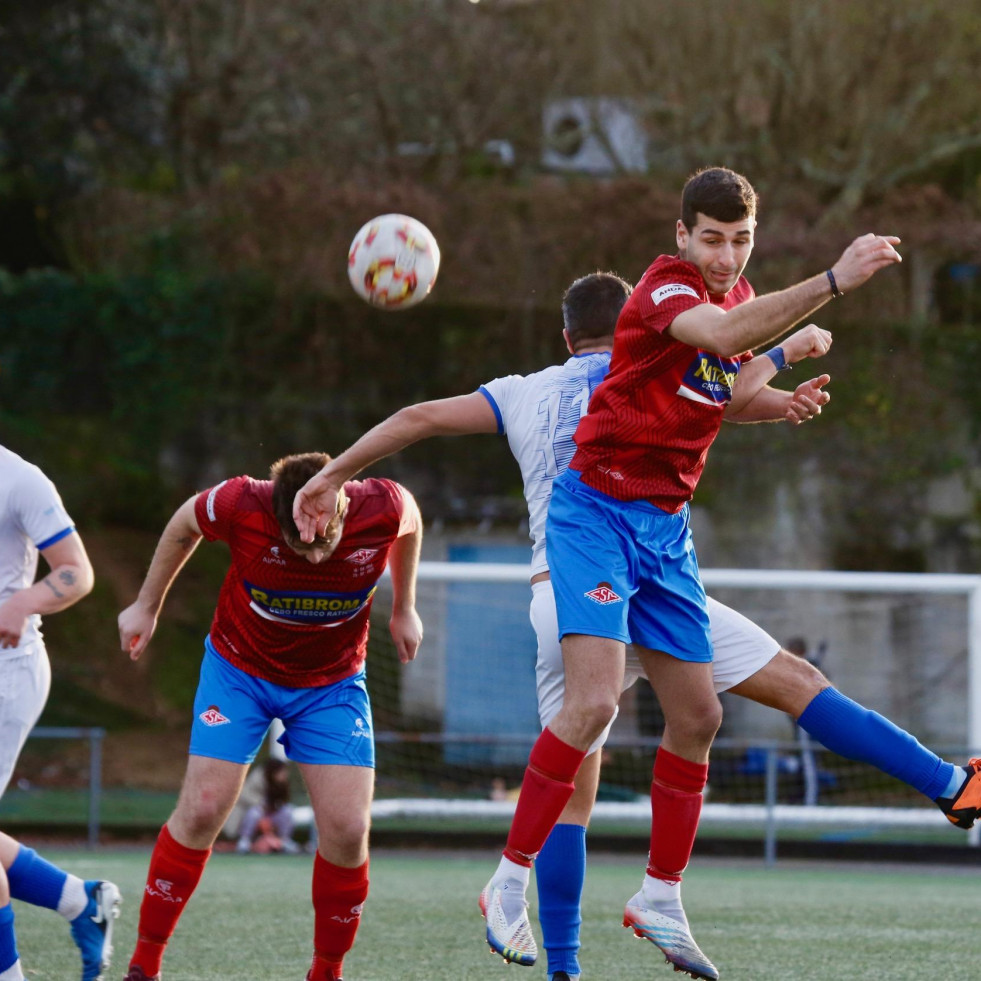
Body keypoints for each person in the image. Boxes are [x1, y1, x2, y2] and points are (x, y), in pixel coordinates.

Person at [291, 267, 980, 980]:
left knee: (577, 786)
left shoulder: (522, 390)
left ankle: (565, 965)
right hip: (621, 568)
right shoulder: (658, 365)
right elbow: (729, 394)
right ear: (640, 326)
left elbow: (418, 419)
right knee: (795, 685)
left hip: (566, 590)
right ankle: (944, 782)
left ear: (564, 336)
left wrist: (333, 472)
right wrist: (783, 386)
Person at [117, 452, 423, 981]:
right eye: (293, 539)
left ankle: (326, 971)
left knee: (349, 829)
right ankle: (145, 963)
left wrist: (404, 608)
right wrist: (147, 605)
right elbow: (184, 522)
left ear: (341, 504)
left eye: (319, 536)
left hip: (331, 683)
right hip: (239, 672)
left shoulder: (384, 504)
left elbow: (413, 522)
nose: (307, 551)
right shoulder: (242, 501)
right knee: (203, 809)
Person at [0, 444, 121, 981]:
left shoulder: (19, 479)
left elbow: (77, 572)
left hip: (7, 673)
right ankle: (79, 900)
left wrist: (20, 603)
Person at [224, 757, 301, 854]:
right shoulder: (258, 779)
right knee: (254, 812)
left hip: (272, 813)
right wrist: (262, 805)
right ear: (274, 772)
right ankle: (244, 840)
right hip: (255, 812)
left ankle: (284, 840)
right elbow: (244, 796)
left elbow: (283, 802)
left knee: (287, 811)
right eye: (282, 772)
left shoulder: (282, 783)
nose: (284, 774)